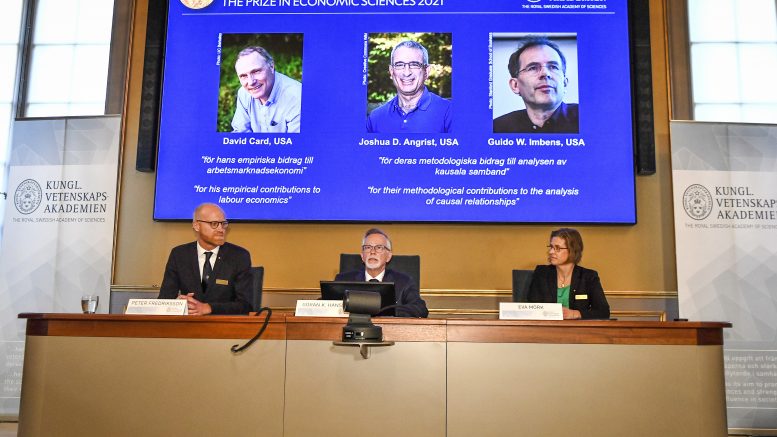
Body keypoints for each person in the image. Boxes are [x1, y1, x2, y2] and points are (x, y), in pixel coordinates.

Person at [158, 203, 253, 315]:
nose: (221, 229)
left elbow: (246, 305)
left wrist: (208, 307)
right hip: (188, 326)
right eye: (214, 224)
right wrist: (178, 304)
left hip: (225, 327)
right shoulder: (179, 255)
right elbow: (164, 299)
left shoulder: (239, 256)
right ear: (197, 226)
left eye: (223, 224)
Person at [335, 228, 428, 318]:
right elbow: (324, 305)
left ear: (388, 256)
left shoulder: (404, 282)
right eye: (368, 247)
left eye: (379, 247)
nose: (372, 252)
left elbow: (420, 309)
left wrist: (388, 311)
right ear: (362, 256)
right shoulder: (343, 280)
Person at [493, 36, 578, 133]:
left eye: (553, 67)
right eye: (533, 68)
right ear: (515, 85)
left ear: (564, 82)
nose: (545, 74)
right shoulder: (498, 128)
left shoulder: (589, 118)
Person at [367, 40, 452, 133]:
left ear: (426, 72)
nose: (407, 72)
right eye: (399, 65)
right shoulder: (375, 118)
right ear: (391, 71)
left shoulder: (449, 112)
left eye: (414, 64)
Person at [527, 228, 609, 319]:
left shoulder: (588, 277)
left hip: (578, 331)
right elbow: (532, 309)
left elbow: (603, 312)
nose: (551, 252)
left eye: (557, 248)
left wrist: (575, 314)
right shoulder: (541, 273)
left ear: (572, 250)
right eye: (551, 247)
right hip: (546, 330)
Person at [231, 46, 302, 133]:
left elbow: (297, 144)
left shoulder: (297, 98)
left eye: (256, 71)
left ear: (271, 66)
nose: (251, 82)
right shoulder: (244, 93)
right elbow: (240, 134)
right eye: (243, 76)